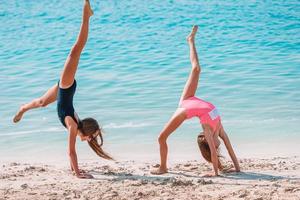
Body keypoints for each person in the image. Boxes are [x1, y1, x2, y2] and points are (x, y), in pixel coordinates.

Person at [13, 0, 112, 179]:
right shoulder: (73, 125)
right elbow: (71, 152)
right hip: (66, 86)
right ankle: (86, 15)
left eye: (92, 138)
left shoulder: (78, 124)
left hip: (63, 91)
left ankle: (23, 108)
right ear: (86, 132)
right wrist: (77, 173)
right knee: (76, 50)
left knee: (42, 103)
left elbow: (86, 137)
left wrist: (92, 136)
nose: (90, 139)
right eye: (91, 137)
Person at [151, 25, 240, 176]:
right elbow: (230, 148)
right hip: (189, 98)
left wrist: (215, 173)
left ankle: (163, 168)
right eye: (218, 146)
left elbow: (214, 150)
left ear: (206, 140)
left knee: (161, 138)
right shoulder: (219, 127)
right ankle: (190, 40)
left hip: (183, 110)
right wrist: (237, 169)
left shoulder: (207, 129)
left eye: (215, 146)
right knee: (196, 69)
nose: (218, 147)